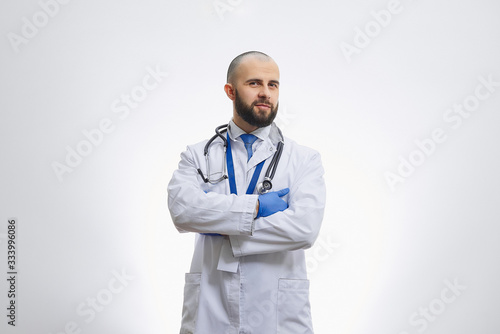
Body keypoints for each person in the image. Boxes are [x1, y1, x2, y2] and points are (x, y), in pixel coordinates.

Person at [167, 51, 326, 334]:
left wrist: (222, 226)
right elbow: (183, 211)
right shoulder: (197, 155)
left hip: (276, 310)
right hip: (211, 304)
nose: (265, 93)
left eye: (272, 84)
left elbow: (304, 228)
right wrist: (255, 207)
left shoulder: (303, 159)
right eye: (254, 83)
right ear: (231, 91)